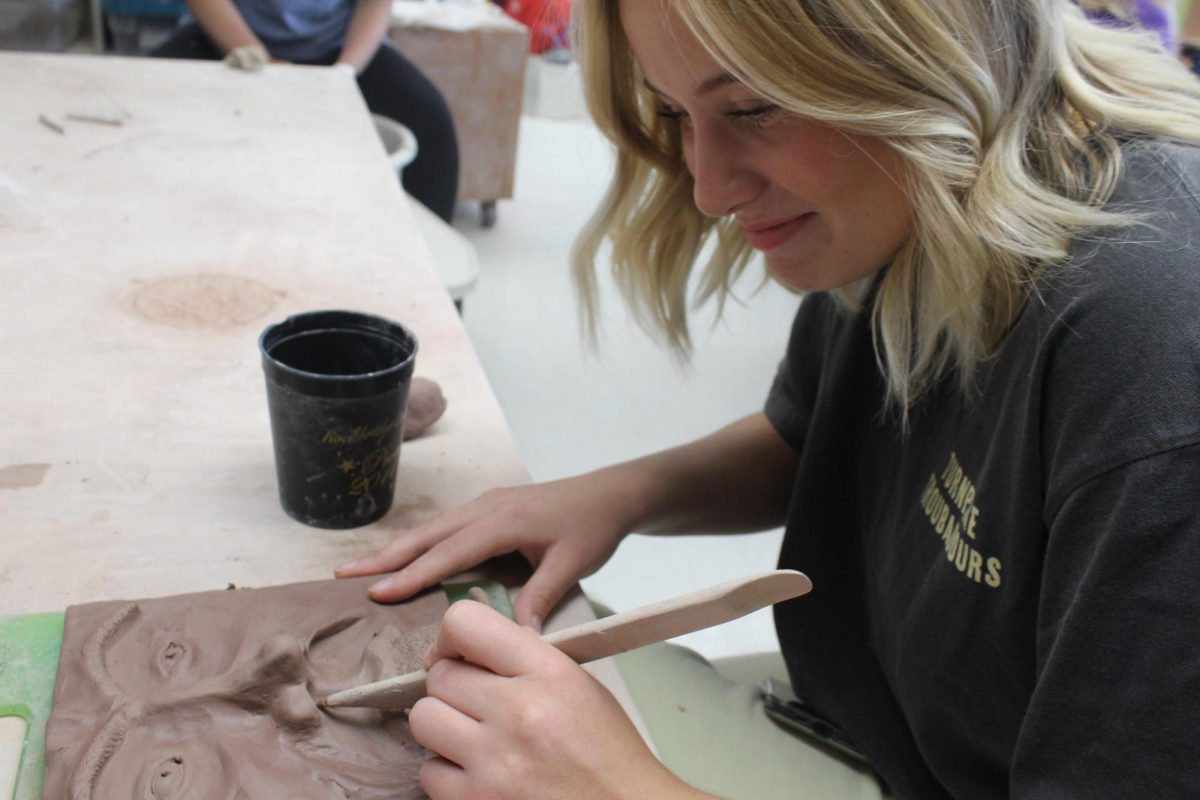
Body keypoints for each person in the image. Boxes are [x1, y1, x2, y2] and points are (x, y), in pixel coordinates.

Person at [336, 0, 1200, 797]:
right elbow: (810, 435)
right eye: (675, 113)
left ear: (927, 53)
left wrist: (621, 789)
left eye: (752, 108)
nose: (709, 191)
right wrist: (616, 495)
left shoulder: (1153, 354)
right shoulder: (922, 183)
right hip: (861, 719)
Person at [152, 0, 460, 222]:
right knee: (145, 113)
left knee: (431, 129)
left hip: (338, 49)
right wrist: (260, 59)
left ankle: (433, 295)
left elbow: (374, 4)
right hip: (231, 44)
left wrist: (343, 74)